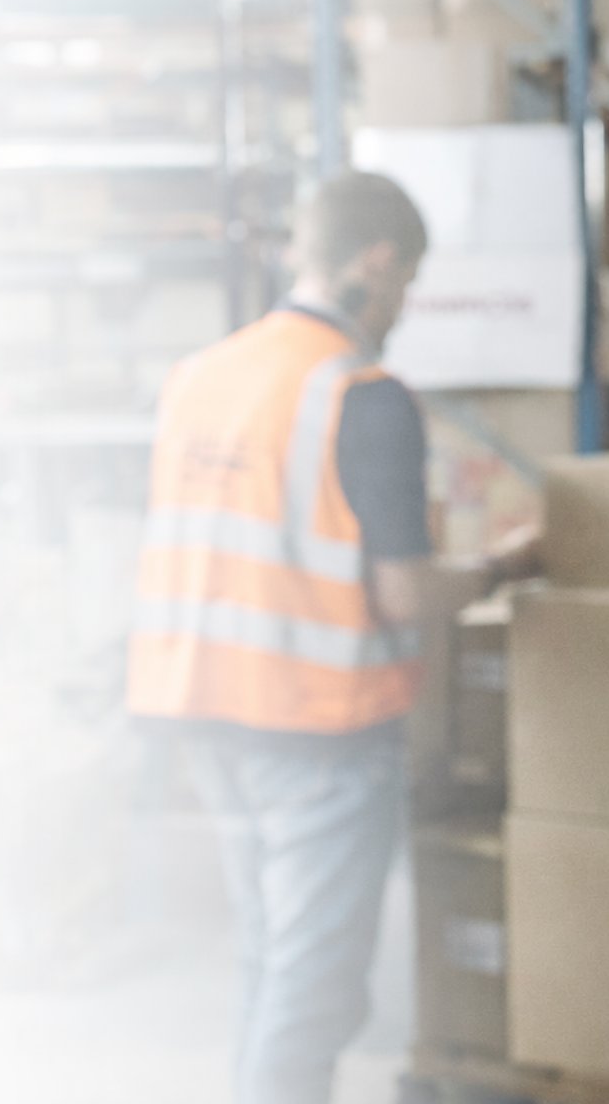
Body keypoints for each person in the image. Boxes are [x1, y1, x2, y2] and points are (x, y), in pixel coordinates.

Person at [127, 170, 538, 1104]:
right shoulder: (363, 393)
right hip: (315, 729)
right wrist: (507, 567)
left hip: (201, 711)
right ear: (376, 262)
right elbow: (402, 594)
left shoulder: (201, 376)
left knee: (271, 963)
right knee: (314, 990)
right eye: (409, 283)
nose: (403, 308)